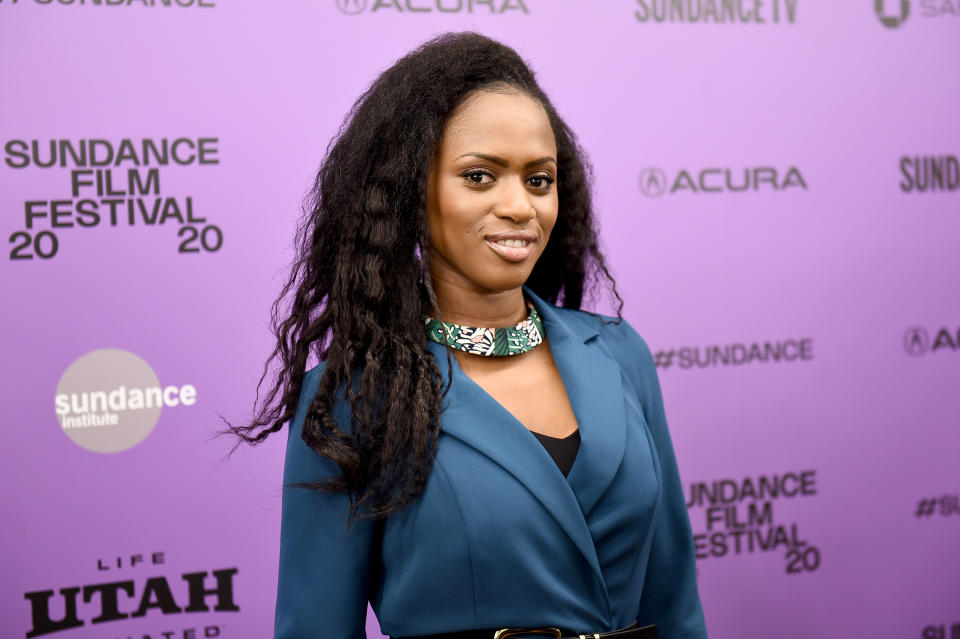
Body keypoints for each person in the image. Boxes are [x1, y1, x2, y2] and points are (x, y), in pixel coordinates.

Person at [231, 31, 708, 639]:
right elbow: (315, 626)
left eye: (539, 180)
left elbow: (674, 598)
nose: (519, 206)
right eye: (480, 176)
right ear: (412, 192)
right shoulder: (354, 395)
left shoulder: (619, 354)